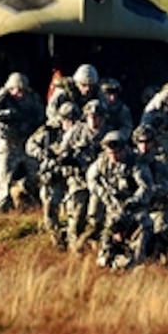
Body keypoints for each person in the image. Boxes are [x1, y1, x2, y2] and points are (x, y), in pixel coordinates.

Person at [87, 131, 155, 268]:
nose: (114, 156)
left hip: (135, 212)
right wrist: (104, 194)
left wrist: (133, 200)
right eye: (110, 153)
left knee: (139, 245)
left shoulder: (136, 163)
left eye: (117, 152)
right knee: (104, 258)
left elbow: (146, 187)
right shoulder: (101, 163)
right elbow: (91, 179)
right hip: (113, 211)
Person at [0, 72, 45, 212]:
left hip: (27, 141)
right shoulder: (3, 98)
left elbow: (40, 114)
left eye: (21, 90)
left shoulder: (32, 98)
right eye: (15, 90)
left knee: (36, 174)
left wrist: (29, 124)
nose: (19, 93)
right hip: (9, 142)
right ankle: (2, 205)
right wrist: (8, 114)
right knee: (5, 175)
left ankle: (22, 192)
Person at [53, 98, 108, 248]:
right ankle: (74, 247)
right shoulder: (76, 131)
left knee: (97, 218)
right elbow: (62, 152)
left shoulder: (110, 135)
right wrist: (68, 160)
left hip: (100, 183)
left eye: (97, 117)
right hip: (78, 181)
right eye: (91, 116)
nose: (94, 120)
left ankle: (93, 245)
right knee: (76, 216)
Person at [28, 101, 80, 244]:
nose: (71, 124)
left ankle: (72, 238)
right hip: (52, 175)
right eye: (68, 120)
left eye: (74, 120)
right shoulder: (48, 131)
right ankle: (55, 238)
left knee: (74, 209)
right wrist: (43, 154)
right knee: (50, 207)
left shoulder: (81, 132)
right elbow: (30, 145)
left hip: (72, 175)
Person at [132, 123, 168, 257]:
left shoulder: (161, 162)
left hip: (156, 206)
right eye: (141, 142)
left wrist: (152, 191)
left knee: (162, 230)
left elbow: (166, 185)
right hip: (136, 207)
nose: (144, 146)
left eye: (148, 142)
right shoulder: (130, 161)